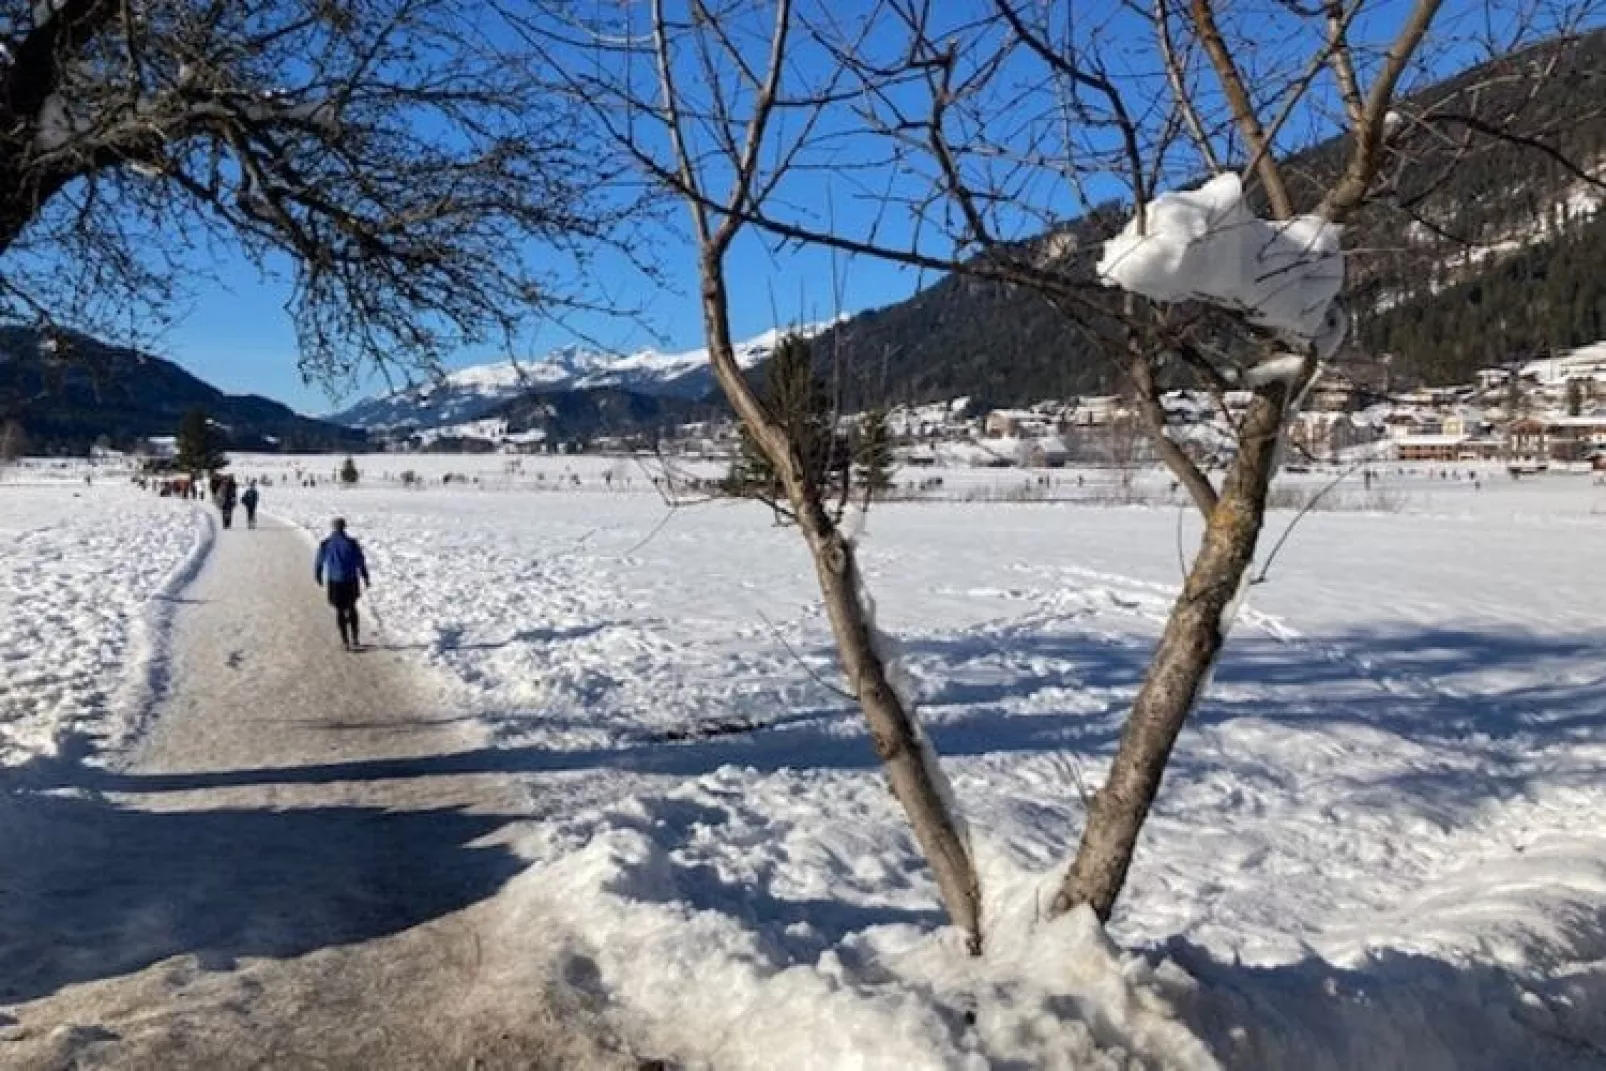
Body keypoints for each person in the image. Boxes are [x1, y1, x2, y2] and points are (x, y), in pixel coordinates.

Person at [314, 517, 370, 650]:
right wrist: (365, 576)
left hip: (335, 581)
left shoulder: (326, 543)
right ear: (344, 527)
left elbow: (319, 562)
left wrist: (318, 575)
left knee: (339, 609)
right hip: (351, 580)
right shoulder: (352, 543)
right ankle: (355, 639)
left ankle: (345, 641)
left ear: (333, 527)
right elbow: (360, 561)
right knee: (352, 607)